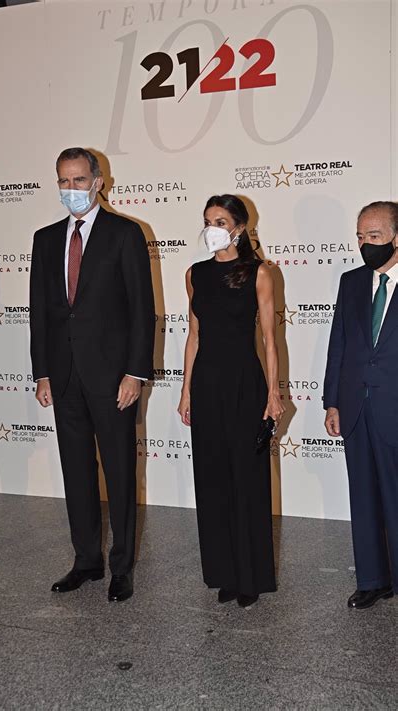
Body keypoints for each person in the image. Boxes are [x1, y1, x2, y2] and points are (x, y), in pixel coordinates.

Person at [30, 148, 155, 602]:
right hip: (63, 377)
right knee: (76, 471)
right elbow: (40, 312)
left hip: (112, 377)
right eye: (63, 181)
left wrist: (135, 373)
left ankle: (122, 565)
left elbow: (143, 311)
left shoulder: (126, 233)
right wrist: (41, 372)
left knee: (120, 472)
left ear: (99, 181)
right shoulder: (45, 240)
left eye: (79, 181)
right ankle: (86, 560)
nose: (71, 190)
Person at [178, 195, 284, 607]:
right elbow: (193, 335)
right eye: (207, 221)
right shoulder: (194, 274)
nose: (212, 228)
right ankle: (223, 572)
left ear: (239, 227)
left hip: (245, 382)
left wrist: (273, 394)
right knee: (213, 478)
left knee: (248, 478)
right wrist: (186, 390)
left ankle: (251, 577)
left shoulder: (260, 273)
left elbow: (271, 342)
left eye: (220, 220)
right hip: (206, 383)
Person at [324, 201, 398, 610]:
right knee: (364, 496)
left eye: (374, 236)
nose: (365, 244)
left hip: (394, 404)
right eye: (360, 236)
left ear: (395, 238)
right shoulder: (351, 282)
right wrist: (332, 401)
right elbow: (340, 344)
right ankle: (372, 579)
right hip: (355, 406)